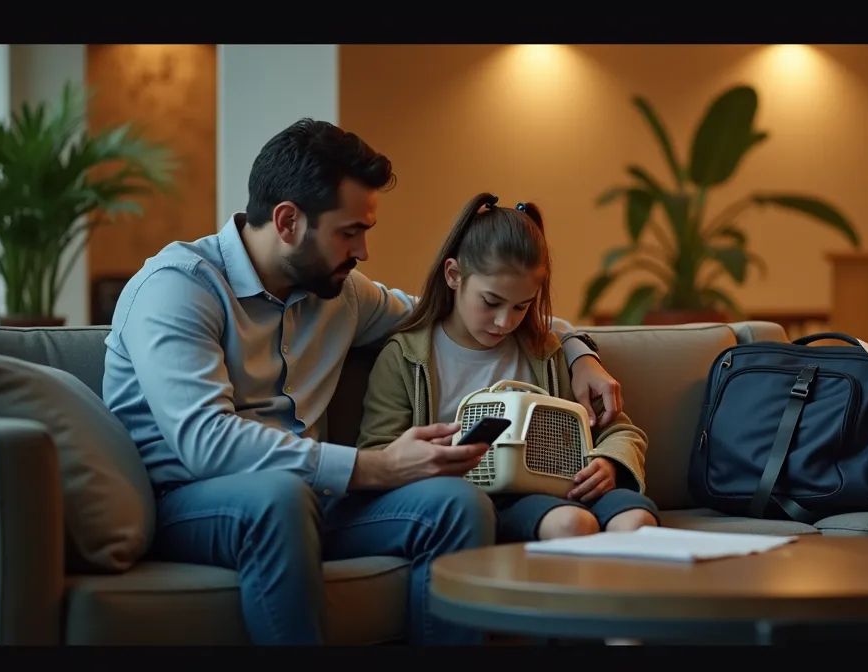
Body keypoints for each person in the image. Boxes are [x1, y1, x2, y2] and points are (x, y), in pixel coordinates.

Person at [101, 119, 627, 646]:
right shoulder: (178, 288)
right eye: (350, 232)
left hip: (312, 495)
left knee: (457, 503)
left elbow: (465, 313)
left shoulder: (343, 294)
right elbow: (206, 442)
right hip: (190, 502)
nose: (364, 252)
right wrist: (372, 466)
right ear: (287, 222)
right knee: (279, 497)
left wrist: (580, 353)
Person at [357, 193, 659, 546]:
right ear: (454, 275)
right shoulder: (406, 357)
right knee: (570, 524)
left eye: (521, 307)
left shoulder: (545, 352)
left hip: (567, 485)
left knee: (638, 521)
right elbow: (378, 451)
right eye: (491, 302)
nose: (504, 322)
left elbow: (621, 430)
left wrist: (609, 464)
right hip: (482, 500)